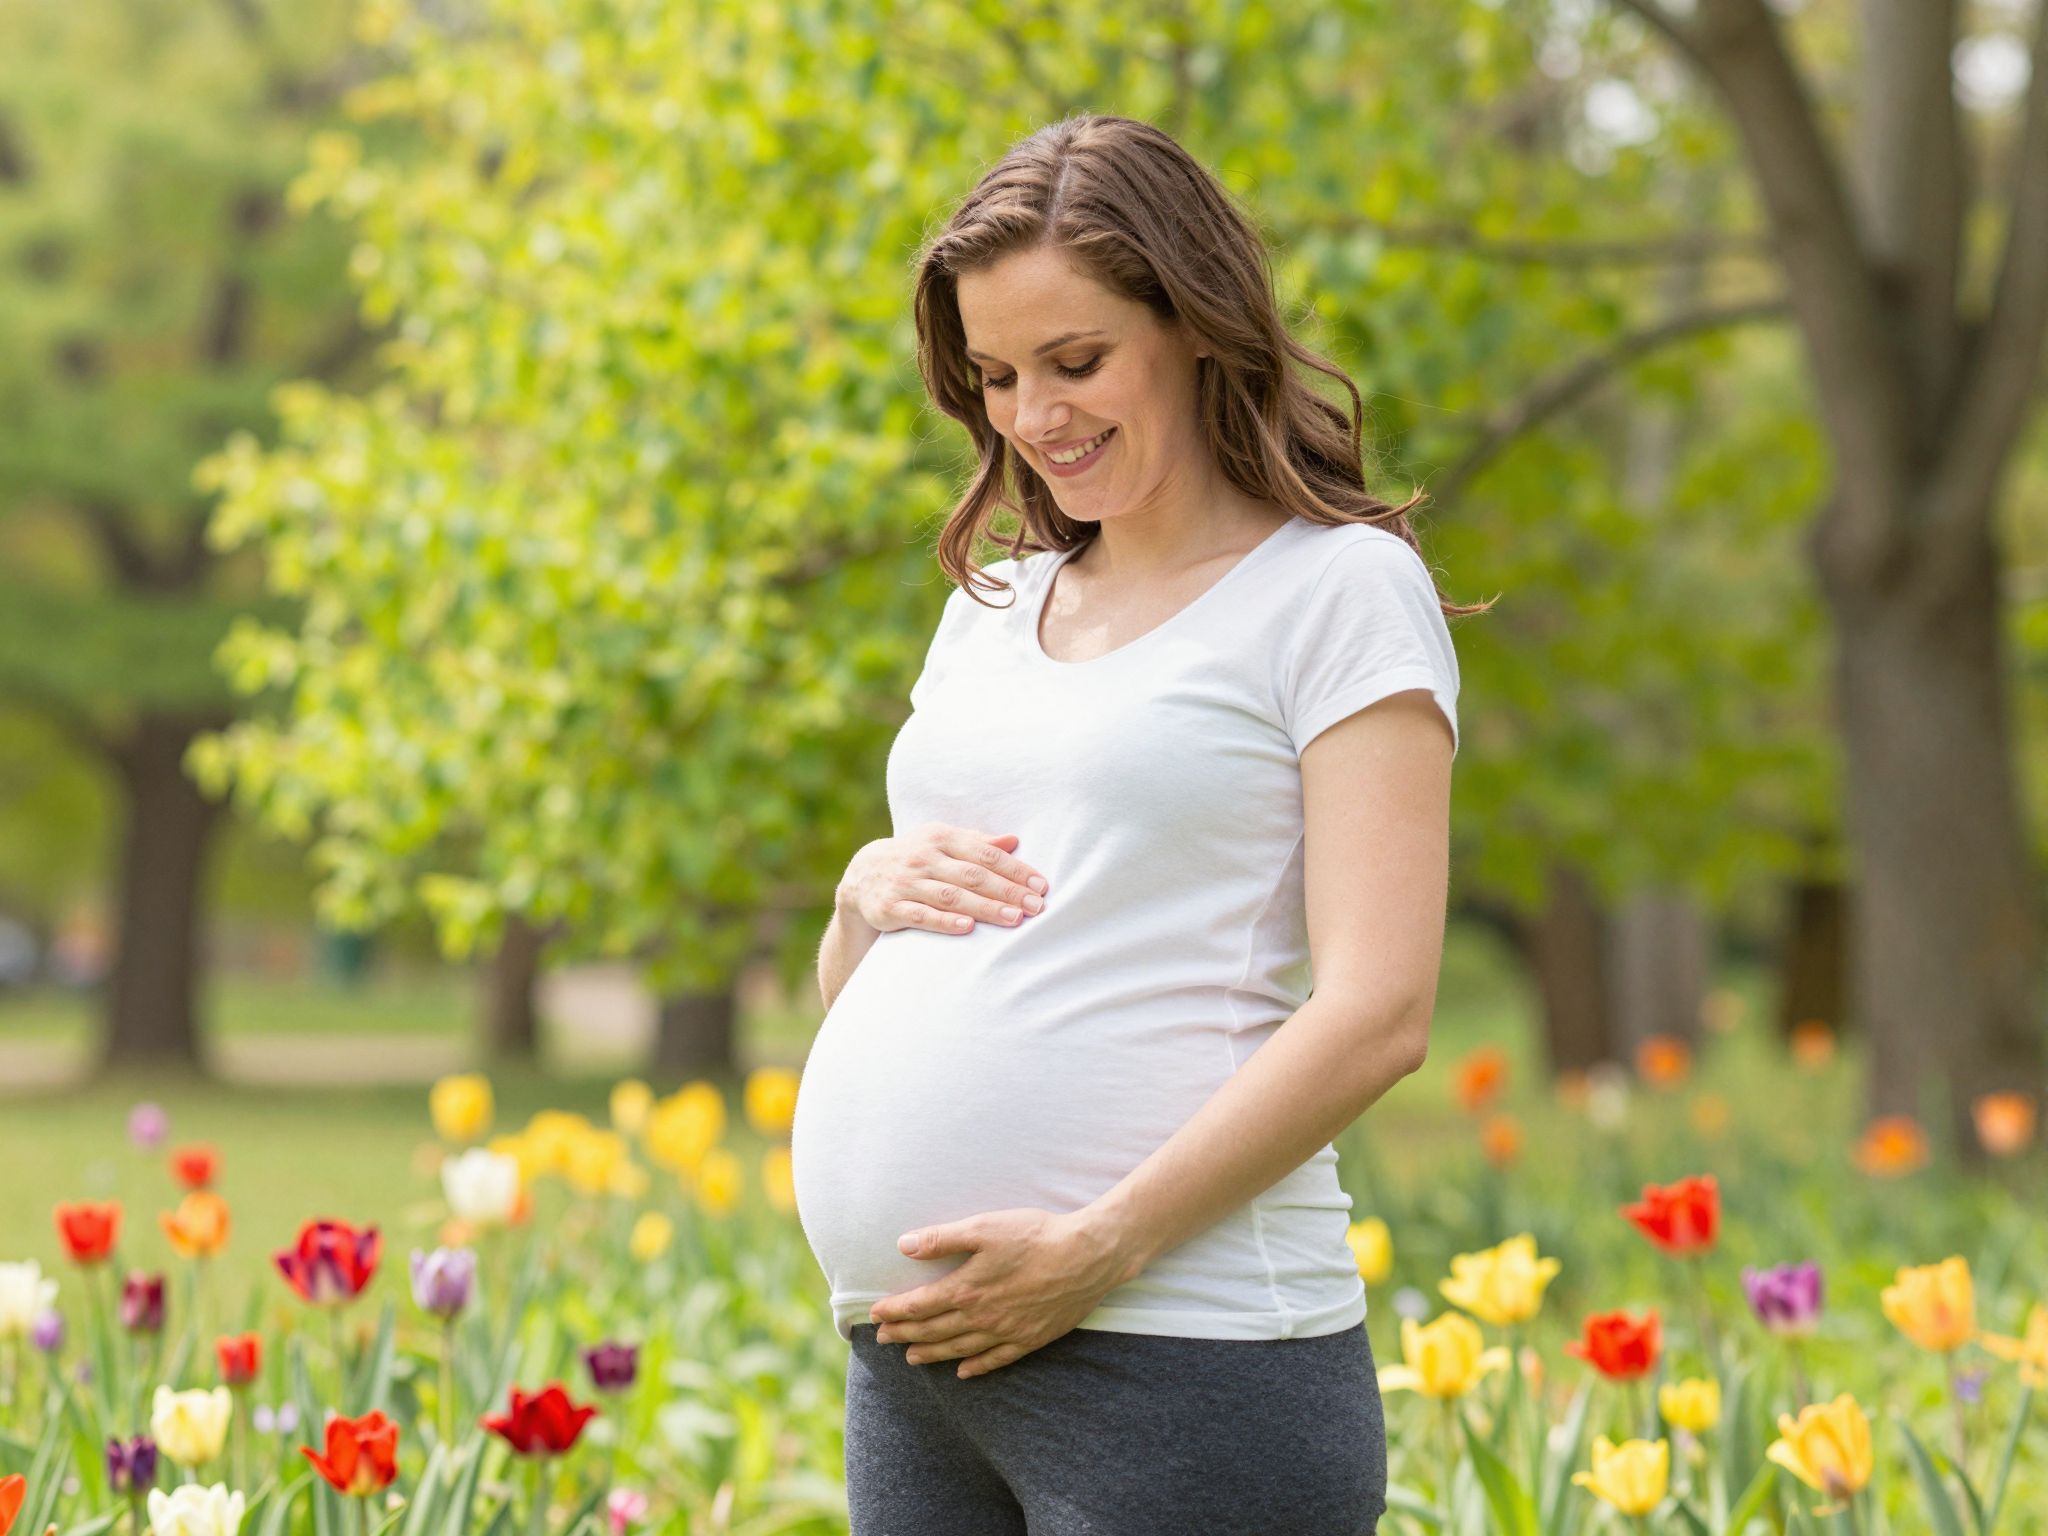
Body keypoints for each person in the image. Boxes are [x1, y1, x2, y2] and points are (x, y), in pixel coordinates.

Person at [789, 111, 1488, 1536]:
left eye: (1076, 361)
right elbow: (885, 994)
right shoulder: (986, 612)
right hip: (918, 1367)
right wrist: (861, 899)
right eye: (994, 375)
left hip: (1183, 1354)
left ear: (1200, 330)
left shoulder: (1336, 593)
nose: (1033, 414)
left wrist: (1099, 1247)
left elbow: (1379, 1011)